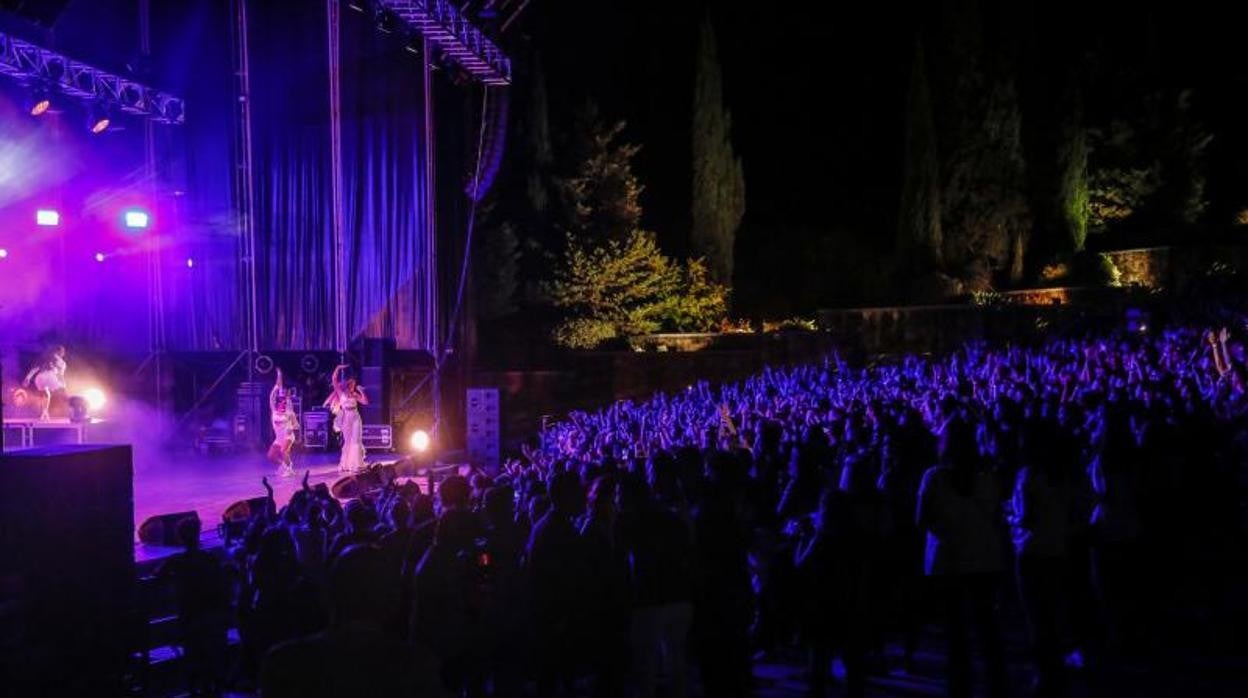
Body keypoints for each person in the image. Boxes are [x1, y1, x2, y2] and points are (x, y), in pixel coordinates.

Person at [324, 363, 368, 473]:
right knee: (348, 441)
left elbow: (365, 402)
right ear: (348, 384)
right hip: (346, 417)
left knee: (356, 439)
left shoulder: (355, 395)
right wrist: (337, 368)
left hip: (355, 417)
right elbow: (334, 379)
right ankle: (346, 464)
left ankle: (357, 464)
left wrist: (361, 391)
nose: (353, 385)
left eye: (354, 384)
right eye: (352, 384)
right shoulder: (341, 393)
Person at [23, 345, 67, 421]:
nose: (64, 353)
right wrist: (63, 384)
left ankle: (44, 412)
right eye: (63, 351)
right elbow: (60, 375)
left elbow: (35, 368)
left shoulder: (46, 358)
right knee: (60, 390)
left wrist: (27, 378)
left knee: (46, 394)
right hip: (50, 377)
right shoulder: (62, 362)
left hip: (40, 378)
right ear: (60, 352)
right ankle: (46, 412)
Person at [269, 369, 299, 477]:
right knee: (271, 456)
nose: (281, 404)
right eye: (280, 402)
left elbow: (297, 425)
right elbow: (273, 394)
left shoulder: (289, 411)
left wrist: (292, 428)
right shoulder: (273, 409)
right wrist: (279, 375)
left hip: (288, 436)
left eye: (284, 402)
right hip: (279, 438)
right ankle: (284, 465)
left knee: (283, 451)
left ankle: (290, 470)